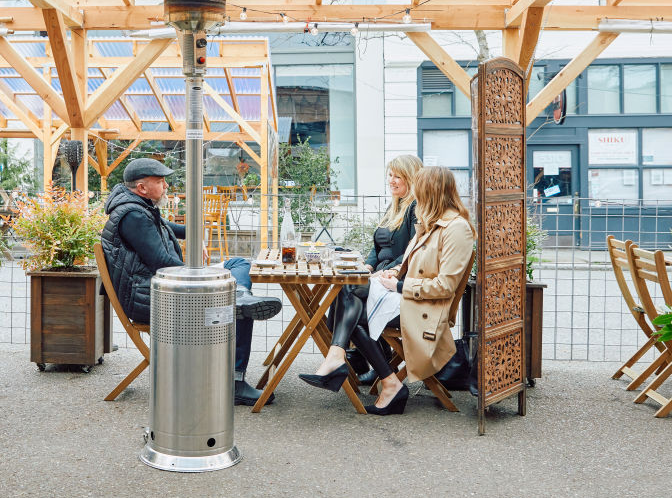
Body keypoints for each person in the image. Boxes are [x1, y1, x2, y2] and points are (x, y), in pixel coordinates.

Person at [101, 158, 283, 406]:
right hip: (155, 299)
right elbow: (163, 263)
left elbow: (170, 227)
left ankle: (240, 295)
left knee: (238, 264)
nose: (166, 186)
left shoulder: (138, 207)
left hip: (165, 288)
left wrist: (197, 234)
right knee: (232, 308)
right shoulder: (134, 216)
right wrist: (203, 274)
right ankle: (235, 382)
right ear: (142, 187)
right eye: (160, 181)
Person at [299, 166, 474, 415]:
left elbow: (445, 287)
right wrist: (391, 273)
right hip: (409, 299)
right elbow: (410, 265)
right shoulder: (429, 223)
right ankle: (378, 376)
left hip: (426, 310)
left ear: (431, 193)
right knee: (349, 293)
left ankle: (348, 363)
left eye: (419, 191)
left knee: (350, 305)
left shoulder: (457, 228)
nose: (415, 197)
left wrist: (400, 285)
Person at [330, 155, 422, 384]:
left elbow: (412, 252)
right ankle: (355, 356)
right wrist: (368, 266)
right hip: (379, 273)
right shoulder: (395, 205)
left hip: (394, 278)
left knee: (347, 295)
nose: (391, 180)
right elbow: (377, 246)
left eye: (398, 176)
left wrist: (384, 271)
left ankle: (357, 357)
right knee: (341, 291)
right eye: (390, 175)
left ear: (411, 178)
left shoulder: (415, 208)